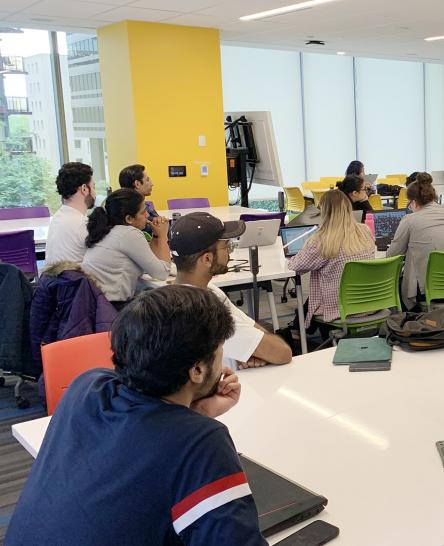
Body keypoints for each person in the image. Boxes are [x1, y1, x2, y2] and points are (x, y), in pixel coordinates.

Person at [6, 285, 266, 545]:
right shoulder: (201, 442)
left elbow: (148, 432)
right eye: (219, 352)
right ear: (197, 369)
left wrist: (199, 410)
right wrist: (196, 422)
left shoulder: (86, 386)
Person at [171, 212, 293, 370]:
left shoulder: (208, 291)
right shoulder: (202, 312)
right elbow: (282, 352)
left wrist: (257, 348)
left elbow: (253, 328)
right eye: (226, 246)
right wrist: (260, 349)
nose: (229, 252)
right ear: (207, 259)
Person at [288, 190, 377, 322]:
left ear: (324, 211)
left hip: (339, 309)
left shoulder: (322, 240)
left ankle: (298, 331)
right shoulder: (365, 231)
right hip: (371, 304)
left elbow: (296, 266)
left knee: (316, 296)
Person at [386, 172, 444, 309]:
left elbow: (392, 256)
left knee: (399, 282)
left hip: (430, 291)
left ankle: (407, 323)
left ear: (414, 202)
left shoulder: (410, 220)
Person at [81, 188, 171, 309]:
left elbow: (149, 257)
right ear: (129, 219)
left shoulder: (108, 229)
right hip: (113, 309)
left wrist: (156, 235)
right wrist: (163, 236)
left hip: (95, 305)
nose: (148, 215)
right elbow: (162, 273)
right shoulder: (129, 233)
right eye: (143, 212)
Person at [45, 162, 96, 264]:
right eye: (94, 187)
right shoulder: (83, 224)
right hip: (76, 279)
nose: (95, 193)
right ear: (84, 189)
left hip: (53, 278)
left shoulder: (58, 217)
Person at [118, 163, 164, 235]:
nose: (152, 184)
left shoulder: (120, 210)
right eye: (147, 180)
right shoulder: (133, 213)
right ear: (137, 184)